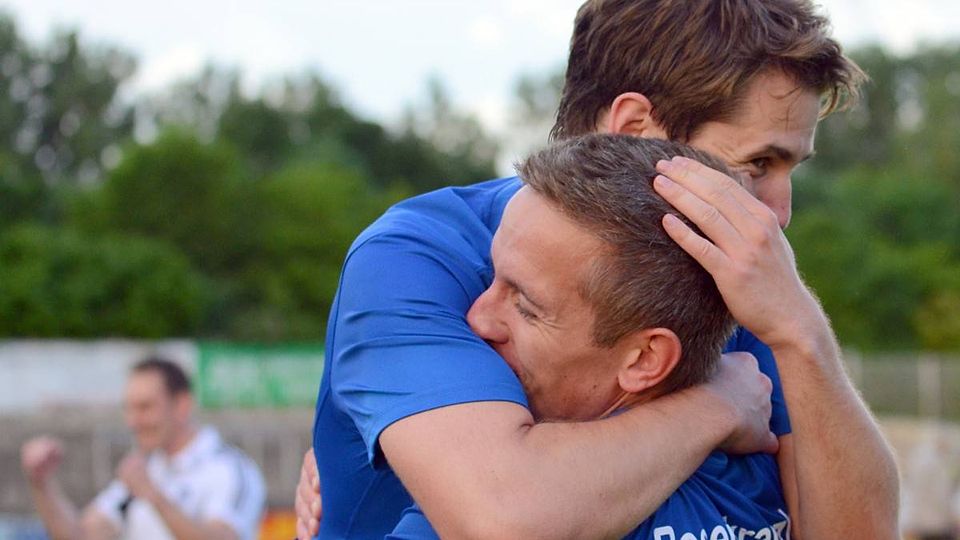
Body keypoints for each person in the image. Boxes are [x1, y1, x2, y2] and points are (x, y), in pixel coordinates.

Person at [298, 1, 900, 538]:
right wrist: (718, 404)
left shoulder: (729, 274)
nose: (778, 214)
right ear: (635, 128)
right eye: (758, 163)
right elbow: (504, 515)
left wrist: (800, 330)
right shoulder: (417, 257)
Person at [389, 134, 792, 539]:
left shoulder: (493, 511)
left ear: (644, 359)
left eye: (526, 307)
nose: (477, 319)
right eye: (492, 278)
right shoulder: (772, 474)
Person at [21, 357, 266, 540]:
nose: (133, 421)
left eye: (145, 407)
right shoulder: (143, 470)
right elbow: (81, 536)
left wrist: (154, 496)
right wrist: (41, 483)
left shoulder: (230, 469)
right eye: (129, 408)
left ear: (182, 405)